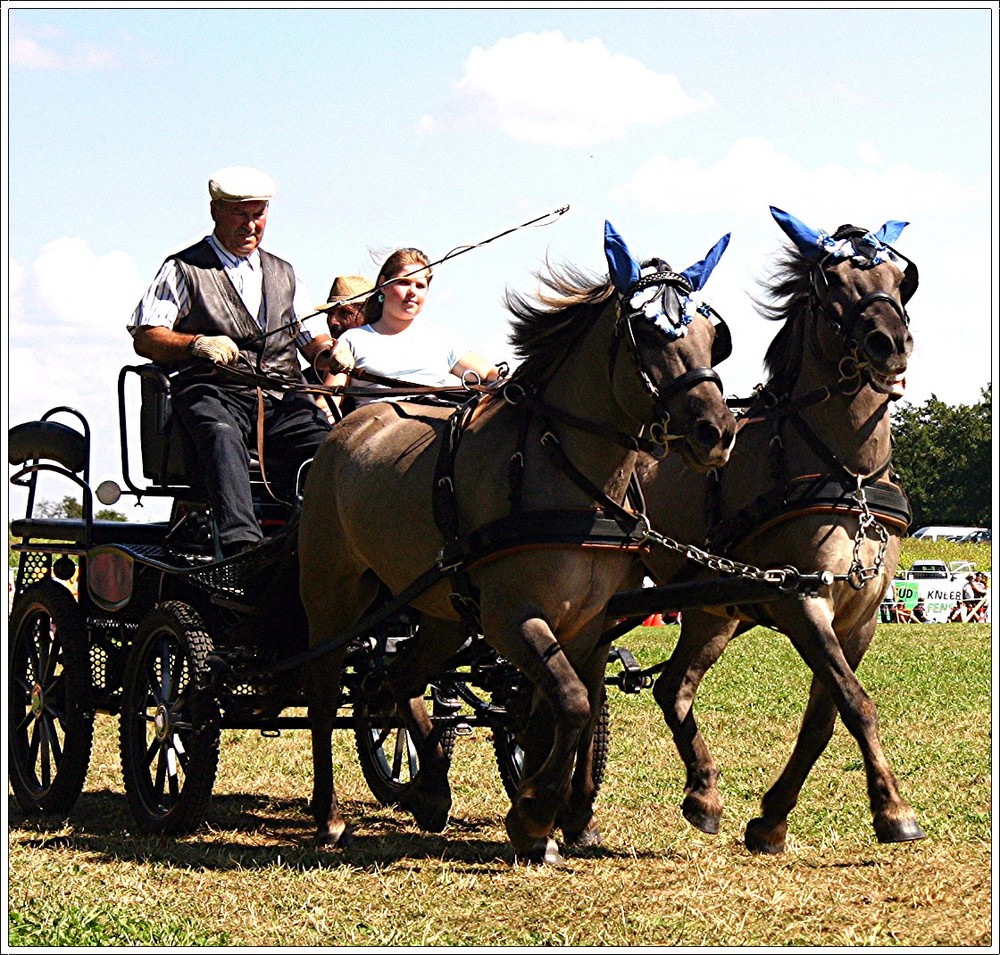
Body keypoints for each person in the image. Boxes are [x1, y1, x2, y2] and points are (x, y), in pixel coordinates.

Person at [128, 166, 340, 557]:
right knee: (221, 433)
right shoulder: (184, 268)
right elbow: (146, 336)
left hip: (281, 396)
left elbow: (312, 340)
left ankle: (319, 544)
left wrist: (330, 352)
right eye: (239, 214)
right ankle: (243, 549)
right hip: (213, 390)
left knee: (331, 447)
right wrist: (195, 344)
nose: (250, 224)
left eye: (258, 214)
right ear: (215, 211)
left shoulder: (285, 273)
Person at [328, 248, 500, 412]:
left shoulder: (440, 339)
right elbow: (328, 403)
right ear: (383, 284)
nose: (412, 292)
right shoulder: (352, 340)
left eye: (420, 285)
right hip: (376, 431)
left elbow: (489, 373)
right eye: (404, 282)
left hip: (436, 430)